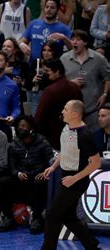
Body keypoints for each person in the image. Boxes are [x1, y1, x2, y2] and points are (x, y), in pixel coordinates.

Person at [42, 100, 101, 249]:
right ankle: (92, 244)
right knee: (68, 217)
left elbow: (96, 163)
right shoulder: (67, 127)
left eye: (65, 109)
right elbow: (66, 150)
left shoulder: (85, 135)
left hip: (76, 180)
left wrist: (74, 178)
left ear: (74, 114)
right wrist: (54, 166)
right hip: (65, 176)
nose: (62, 111)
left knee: (52, 215)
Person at [0, 115, 54, 234]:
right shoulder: (13, 145)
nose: (20, 128)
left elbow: (52, 161)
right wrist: (17, 173)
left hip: (37, 175)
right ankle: (8, 217)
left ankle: (37, 219)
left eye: (24, 126)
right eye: (19, 126)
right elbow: (11, 165)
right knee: (3, 182)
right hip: (21, 176)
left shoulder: (42, 142)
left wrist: (45, 172)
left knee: (40, 183)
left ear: (32, 128)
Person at [61, 30, 110, 133]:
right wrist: (71, 83)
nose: (74, 42)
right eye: (73, 39)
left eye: (78, 40)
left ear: (85, 42)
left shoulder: (99, 59)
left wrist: (104, 94)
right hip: (72, 111)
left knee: (94, 140)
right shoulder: (64, 59)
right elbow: (58, 81)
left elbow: (108, 77)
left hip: (93, 109)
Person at [35, 58, 83, 150]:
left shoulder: (50, 91)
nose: (45, 74)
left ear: (57, 71)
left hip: (53, 138)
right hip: (74, 136)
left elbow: (39, 117)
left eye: (47, 71)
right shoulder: (75, 88)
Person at [19, 0, 72, 65]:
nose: (49, 10)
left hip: (53, 67)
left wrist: (64, 38)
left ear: (58, 10)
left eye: (52, 8)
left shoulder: (64, 29)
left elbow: (73, 49)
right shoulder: (34, 24)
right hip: (33, 65)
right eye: (47, 7)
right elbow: (21, 40)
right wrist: (22, 45)